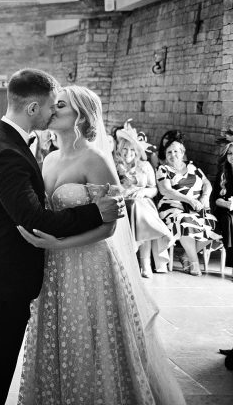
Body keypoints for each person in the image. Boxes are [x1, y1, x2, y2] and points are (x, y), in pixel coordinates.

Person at [16, 85, 186, 404]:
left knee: (86, 341)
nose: (52, 110)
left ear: (80, 116)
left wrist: (59, 243)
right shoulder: (48, 159)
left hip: (88, 265)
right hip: (52, 266)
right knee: (57, 337)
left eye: (60, 106)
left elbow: (109, 227)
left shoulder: (94, 161)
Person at [0, 69, 123, 405]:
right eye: (53, 105)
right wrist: (96, 212)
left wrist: (95, 220)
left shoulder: (9, 142)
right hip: (1, 277)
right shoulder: (8, 148)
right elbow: (34, 217)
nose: (54, 112)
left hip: (54, 270)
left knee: (72, 349)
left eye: (61, 106)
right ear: (34, 108)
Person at [114, 123, 173, 277]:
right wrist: (124, 191)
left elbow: (154, 189)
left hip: (143, 202)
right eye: (125, 149)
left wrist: (143, 191)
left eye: (133, 150)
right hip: (121, 203)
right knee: (135, 209)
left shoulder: (145, 165)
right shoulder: (114, 165)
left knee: (140, 211)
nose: (129, 152)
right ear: (120, 149)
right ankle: (139, 261)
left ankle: (145, 262)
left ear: (137, 152)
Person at [157, 139, 221, 276]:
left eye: (176, 151)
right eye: (169, 152)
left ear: (182, 153)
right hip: (173, 208)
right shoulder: (163, 169)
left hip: (196, 208)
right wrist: (189, 200)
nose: (172, 154)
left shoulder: (192, 166)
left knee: (214, 224)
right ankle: (194, 262)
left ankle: (186, 255)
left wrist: (204, 197)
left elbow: (206, 183)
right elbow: (165, 190)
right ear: (165, 155)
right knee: (185, 222)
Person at [213, 142, 233, 256]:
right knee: (228, 219)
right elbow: (216, 198)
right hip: (224, 210)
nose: (232, 156)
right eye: (230, 153)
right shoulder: (222, 173)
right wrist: (226, 204)